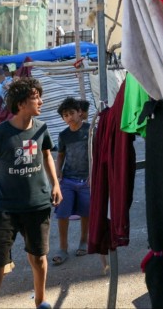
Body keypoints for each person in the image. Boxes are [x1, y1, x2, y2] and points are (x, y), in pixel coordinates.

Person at [0, 77, 62, 309]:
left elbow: (46, 155)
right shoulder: (0, 133)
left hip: (38, 206)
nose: (41, 101)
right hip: (5, 210)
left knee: (38, 258)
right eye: (36, 97)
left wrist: (55, 184)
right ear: (21, 104)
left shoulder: (42, 128)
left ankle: (41, 300)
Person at [52, 96, 91, 266]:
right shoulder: (63, 135)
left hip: (86, 179)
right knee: (62, 213)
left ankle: (84, 241)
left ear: (79, 113)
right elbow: (60, 156)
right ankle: (63, 248)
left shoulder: (90, 130)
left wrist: (93, 174)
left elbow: (96, 153)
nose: (69, 117)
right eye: (65, 115)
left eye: (71, 113)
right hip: (67, 179)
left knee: (86, 212)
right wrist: (58, 173)